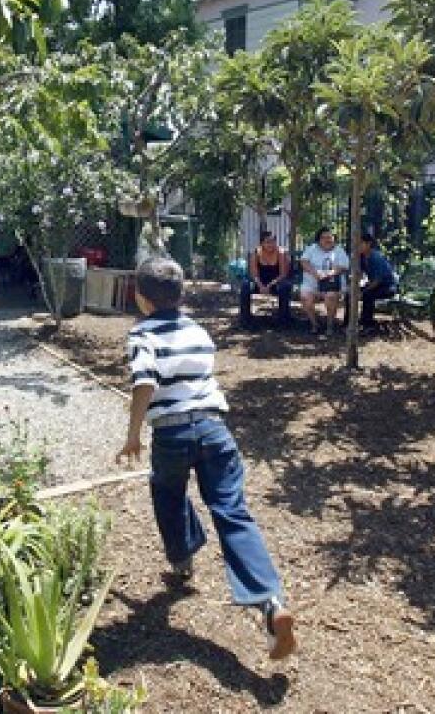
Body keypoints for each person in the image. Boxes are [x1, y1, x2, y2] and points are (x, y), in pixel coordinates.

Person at [118, 257, 297, 661]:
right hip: (215, 430)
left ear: (139, 297)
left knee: (166, 490)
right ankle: (271, 603)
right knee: (232, 511)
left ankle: (182, 563)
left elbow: (144, 381)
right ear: (181, 294)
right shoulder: (198, 330)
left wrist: (132, 435)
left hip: (173, 434)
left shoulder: (141, 333)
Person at [299, 227, 349, 335]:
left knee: (331, 296)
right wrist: (315, 273)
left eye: (329, 237)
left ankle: (330, 325)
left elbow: (344, 267)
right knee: (305, 297)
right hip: (312, 283)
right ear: (318, 240)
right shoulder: (312, 248)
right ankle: (314, 324)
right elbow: (304, 262)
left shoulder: (339, 250)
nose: (327, 240)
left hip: (333, 284)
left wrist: (328, 274)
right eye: (324, 237)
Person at [239, 231, 293, 327]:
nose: (270, 244)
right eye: (267, 242)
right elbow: (254, 274)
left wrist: (269, 285)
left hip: (276, 282)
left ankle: (283, 320)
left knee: (285, 287)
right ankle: (245, 319)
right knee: (245, 286)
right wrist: (260, 285)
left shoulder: (281, 253)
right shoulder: (256, 253)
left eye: (273, 241)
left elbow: (283, 274)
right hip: (259, 282)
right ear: (262, 243)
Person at [356, 232, 398, 332]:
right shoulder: (362, 256)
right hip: (376, 285)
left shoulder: (376, 257)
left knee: (367, 295)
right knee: (351, 293)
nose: (357, 246)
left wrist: (362, 291)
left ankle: (367, 324)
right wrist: (356, 286)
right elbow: (360, 275)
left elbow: (377, 281)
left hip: (388, 286)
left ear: (368, 243)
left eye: (360, 243)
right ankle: (349, 322)